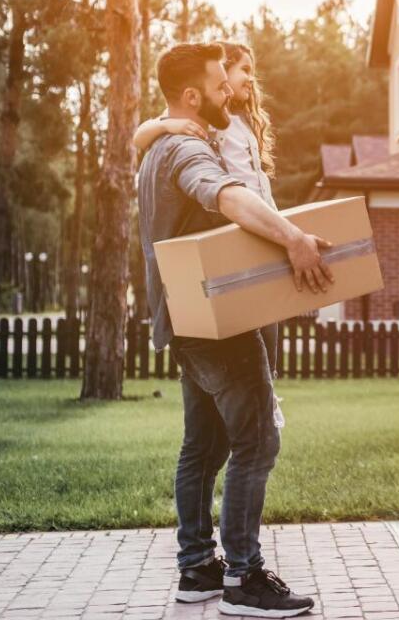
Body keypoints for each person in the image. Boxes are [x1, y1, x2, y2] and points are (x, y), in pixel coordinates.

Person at [138, 42, 327, 617]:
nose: (231, 93)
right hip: (217, 326)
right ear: (192, 95)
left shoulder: (157, 148)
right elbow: (227, 195)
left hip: (185, 320)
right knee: (256, 441)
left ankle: (197, 568)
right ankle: (245, 578)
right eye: (221, 86)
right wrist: (294, 239)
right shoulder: (185, 150)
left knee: (205, 444)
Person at [134, 41, 281, 376]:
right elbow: (140, 135)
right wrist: (166, 125)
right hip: (240, 229)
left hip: (263, 228)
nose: (248, 80)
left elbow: (260, 187)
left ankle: (269, 394)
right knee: (251, 345)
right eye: (243, 70)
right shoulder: (208, 120)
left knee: (268, 337)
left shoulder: (242, 123)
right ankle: (264, 404)